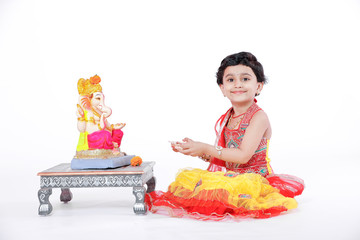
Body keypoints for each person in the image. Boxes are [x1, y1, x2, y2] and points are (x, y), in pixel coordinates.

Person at [146, 52, 304, 220]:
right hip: (231, 178)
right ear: (222, 88)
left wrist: (206, 147)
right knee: (192, 189)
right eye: (230, 80)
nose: (238, 84)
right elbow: (226, 156)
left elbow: (242, 156)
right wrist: (197, 150)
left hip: (255, 181)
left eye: (245, 79)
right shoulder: (228, 117)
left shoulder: (258, 117)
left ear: (259, 86)